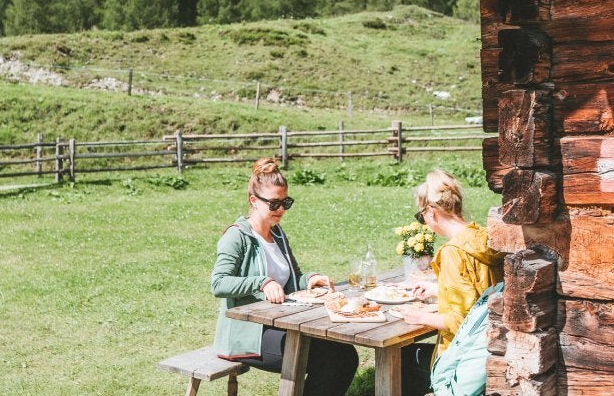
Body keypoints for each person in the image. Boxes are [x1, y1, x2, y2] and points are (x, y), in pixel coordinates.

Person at [210, 157, 359, 396]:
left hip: (280, 323)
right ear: (254, 201)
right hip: (248, 335)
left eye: (285, 202)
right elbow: (218, 283)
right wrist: (261, 282)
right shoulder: (236, 237)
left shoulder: (277, 233)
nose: (280, 210)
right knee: (333, 358)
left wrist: (311, 279)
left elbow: (292, 280)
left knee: (343, 353)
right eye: (274, 204)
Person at [395, 169, 505, 395]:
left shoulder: (453, 252)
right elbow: (478, 296)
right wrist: (438, 289)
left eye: (421, 216)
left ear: (430, 212)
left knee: (402, 358)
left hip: (463, 359)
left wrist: (418, 316)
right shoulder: (482, 237)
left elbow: (461, 322)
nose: (424, 222)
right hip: (493, 346)